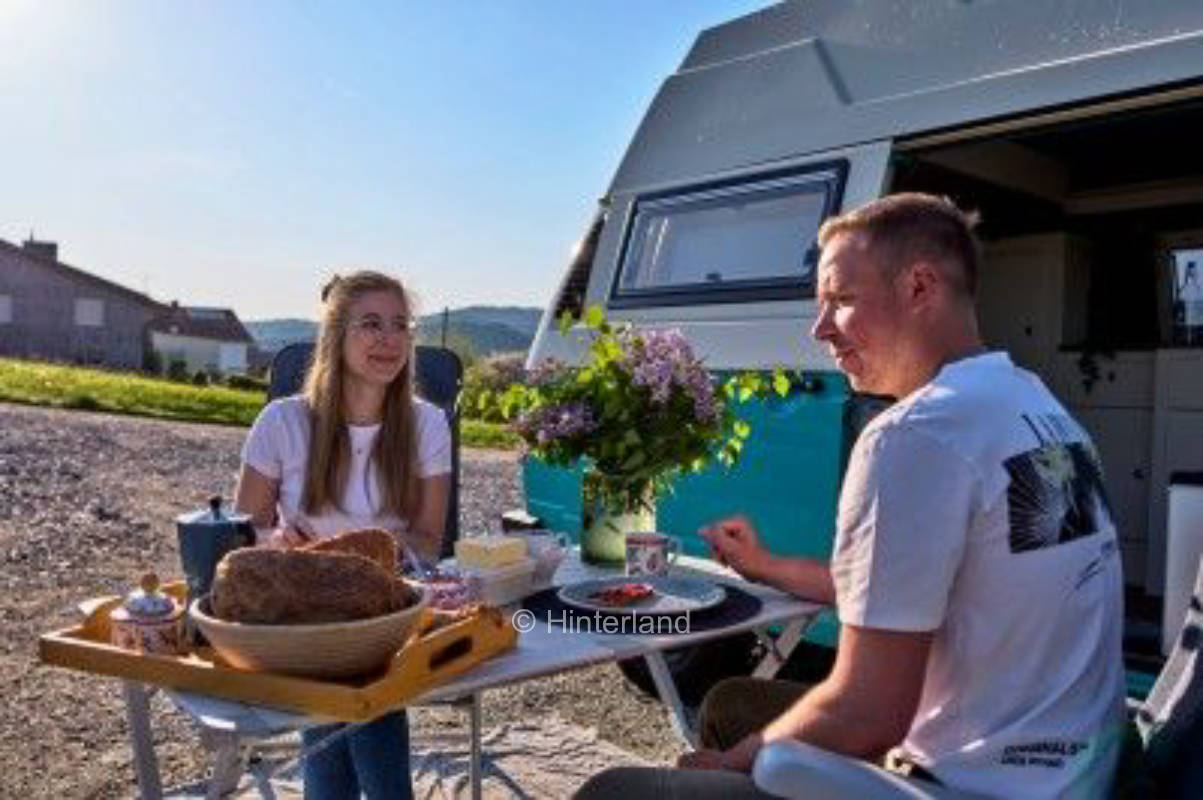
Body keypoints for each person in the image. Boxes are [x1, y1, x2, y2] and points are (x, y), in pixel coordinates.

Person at [576, 194, 1126, 799]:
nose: (818, 330)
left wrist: (733, 765)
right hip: (1075, 774)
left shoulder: (916, 435)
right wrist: (766, 567)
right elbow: (923, 589)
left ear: (919, 287)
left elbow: (866, 717)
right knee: (732, 703)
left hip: (969, 786)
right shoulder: (1038, 410)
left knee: (617, 792)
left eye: (839, 301)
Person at [235, 270, 451, 800]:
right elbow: (242, 538)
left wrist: (354, 561)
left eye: (401, 325)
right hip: (299, 607)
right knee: (351, 668)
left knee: (360, 662)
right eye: (371, 324)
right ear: (335, 337)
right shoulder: (281, 422)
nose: (390, 339)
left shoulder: (426, 424)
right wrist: (281, 547)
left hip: (390, 607)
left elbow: (429, 539)